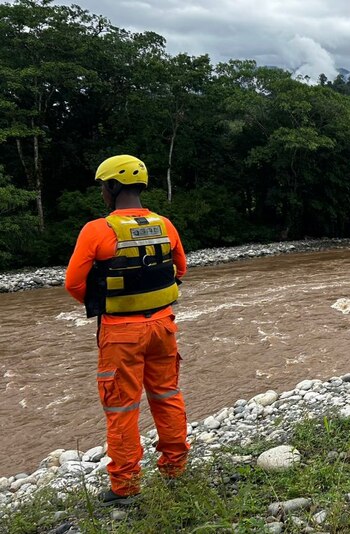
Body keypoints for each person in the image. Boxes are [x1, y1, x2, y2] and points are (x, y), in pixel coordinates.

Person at [65, 155, 189, 505]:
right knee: (167, 396)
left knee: (122, 408)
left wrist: (110, 300)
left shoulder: (97, 230)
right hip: (163, 325)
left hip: (120, 333)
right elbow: (180, 268)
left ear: (114, 187)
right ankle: (175, 469)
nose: (103, 193)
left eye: (104, 186)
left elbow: (74, 284)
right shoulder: (165, 224)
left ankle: (126, 487)